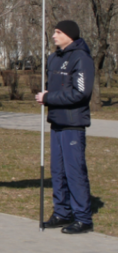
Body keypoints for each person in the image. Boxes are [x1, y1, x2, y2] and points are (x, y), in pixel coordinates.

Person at [36, 20, 94, 234]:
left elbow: (81, 93)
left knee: (74, 171)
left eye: (58, 32)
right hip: (56, 123)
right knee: (58, 171)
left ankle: (83, 218)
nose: (54, 35)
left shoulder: (81, 58)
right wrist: (46, 98)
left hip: (73, 124)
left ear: (70, 35)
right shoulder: (53, 58)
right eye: (54, 32)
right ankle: (62, 212)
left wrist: (49, 97)